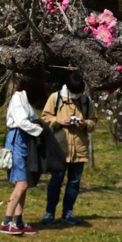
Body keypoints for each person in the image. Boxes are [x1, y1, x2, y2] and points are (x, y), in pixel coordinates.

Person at [40, 72, 96, 226]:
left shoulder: (86, 101)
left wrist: (85, 124)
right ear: (68, 89)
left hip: (79, 149)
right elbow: (45, 118)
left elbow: (94, 121)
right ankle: (49, 213)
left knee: (74, 182)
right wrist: (59, 121)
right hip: (59, 149)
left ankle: (67, 213)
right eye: (74, 93)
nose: (77, 96)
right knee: (55, 181)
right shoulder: (55, 98)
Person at [1, 75, 48, 236]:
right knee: (21, 184)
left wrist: (38, 125)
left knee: (24, 184)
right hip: (17, 142)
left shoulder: (26, 100)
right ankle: (6, 223)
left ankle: (18, 222)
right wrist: (39, 131)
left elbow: (33, 118)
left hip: (26, 142)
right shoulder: (17, 98)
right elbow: (21, 121)